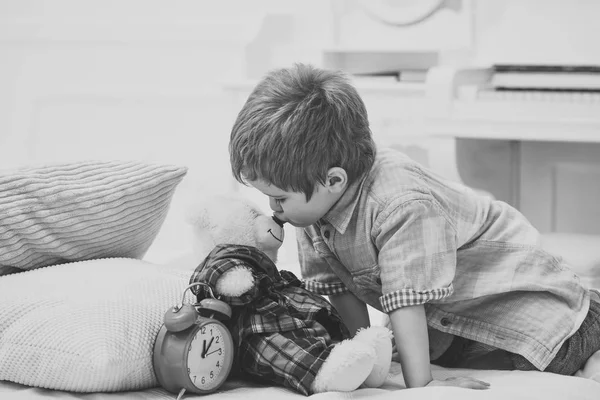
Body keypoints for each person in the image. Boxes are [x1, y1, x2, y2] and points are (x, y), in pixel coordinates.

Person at [228, 63, 600, 389]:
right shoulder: (311, 202)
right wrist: (364, 353)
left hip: (537, 308)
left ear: (334, 180)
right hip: (455, 320)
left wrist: (421, 385)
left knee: (546, 356)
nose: (272, 208)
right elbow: (341, 292)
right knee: (412, 349)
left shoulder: (400, 204)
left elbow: (408, 302)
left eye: (278, 198)